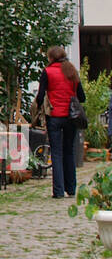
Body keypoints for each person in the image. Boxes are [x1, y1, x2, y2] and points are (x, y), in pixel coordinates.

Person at [34, 47, 85, 199]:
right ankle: (71, 188)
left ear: (51, 58)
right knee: (69, 151)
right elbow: (82, 97)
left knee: (56, 153)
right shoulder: (72, 71)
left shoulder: (48, 72)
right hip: (71, 117)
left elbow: (40, 95)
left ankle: (58, 191)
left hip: (55, 116)